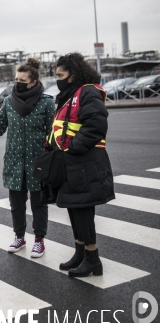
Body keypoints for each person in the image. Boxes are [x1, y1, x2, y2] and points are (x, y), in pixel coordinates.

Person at [0, 58, 55, 258]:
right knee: (16, 204)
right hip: (15, 161)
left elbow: (53, 133)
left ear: (33, 82)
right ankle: (19, 236)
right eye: (16, 79)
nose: (18, 83)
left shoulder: (46, 103)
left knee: (38, 204)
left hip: (38, 162)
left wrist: (53, 156)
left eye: (22, 80)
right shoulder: (9, 102)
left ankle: (39, 240)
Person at [51, 53, 114, 277]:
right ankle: (80, 253)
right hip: (71, 162)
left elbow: (96, 125)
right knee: (74, 208)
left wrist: (74, 147)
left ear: (73, 74)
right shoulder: (69, 94)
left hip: (84, 161)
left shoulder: (88, 91)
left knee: (84, 210)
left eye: (61, 75)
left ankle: (93, 258)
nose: (57, 79)